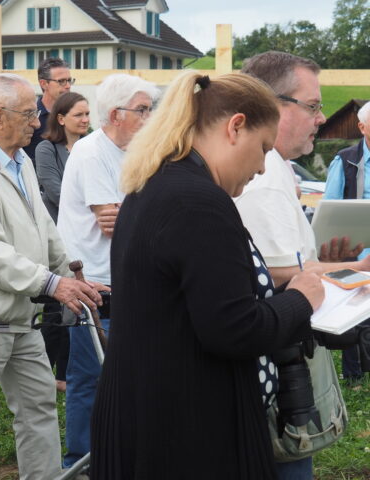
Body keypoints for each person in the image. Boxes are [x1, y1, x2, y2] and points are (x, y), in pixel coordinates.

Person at [90, 70, 325, 480]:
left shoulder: (157, 186)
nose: (261, 168)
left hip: (154, 415)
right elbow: (234, 330)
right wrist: (302, 297)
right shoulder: (198, 202)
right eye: (263, 148)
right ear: (236, 127)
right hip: (187, 436)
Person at [0, 73, 106, 480]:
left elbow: (45, 228)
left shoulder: (22, 159)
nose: (36, 121)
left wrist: (71, 274)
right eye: (28, 114)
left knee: (40, 408)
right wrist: (52, 284)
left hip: (19, 315)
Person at [235, 51, 370, 480]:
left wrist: (323, 264)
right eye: (312, 106)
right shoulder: (265, 172)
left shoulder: (275, 166)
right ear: (272, 106)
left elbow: (288, 263)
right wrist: (353, 274)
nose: (321, 117)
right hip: (274, 366)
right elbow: (272, 273)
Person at [57, 73, 160, 470]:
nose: (150, 117)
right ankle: (79, 459)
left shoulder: (136, 151)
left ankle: (119, 453)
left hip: (128, 278)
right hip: (93, 282)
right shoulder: (91, 152)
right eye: (142, 110)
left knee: (129, 374)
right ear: (116, 114)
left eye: (151, 109)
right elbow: (111, 222)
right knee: (90, 376)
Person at [35, 91, 90, 393]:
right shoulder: (47, 149)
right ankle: (46, 370)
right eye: (79, 114)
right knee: (56, 306)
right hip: (57, 237)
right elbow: (56, 191)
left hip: (84, 236)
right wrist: (94, 204)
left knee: (78, 304)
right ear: (61, 119)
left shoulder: (90, 149)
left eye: (87, 114)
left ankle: (67, 373)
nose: (85, 120)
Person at [324, 100, 370, 382]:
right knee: (354, 315)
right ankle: (354, 375)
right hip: (356, 251)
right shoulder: (345, 160)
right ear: (362, 127)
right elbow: (329, 209)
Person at [24, 57, 74, 161]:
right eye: (61, 81)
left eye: (69, 80)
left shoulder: (74, 116)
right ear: (44, 84)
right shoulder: (30, 119)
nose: (68, 86)